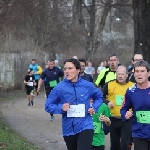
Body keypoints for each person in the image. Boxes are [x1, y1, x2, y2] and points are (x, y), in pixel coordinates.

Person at [45, 58, 103, 150]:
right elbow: (48, 106)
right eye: (65, 69)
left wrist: (94, 107)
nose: (67, 71)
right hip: (68, 130)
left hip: (86, 125)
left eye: (70, 68)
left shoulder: (87, 85)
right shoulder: (60, 87)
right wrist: (61, 108)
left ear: (78, 70)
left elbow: (99, 97)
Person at [103, 66, 134, 150]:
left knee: (125, 144)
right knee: (114, 145)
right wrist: (107, 102)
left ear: (127, 75)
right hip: (113, 119)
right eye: (118, 74)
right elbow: (100, 97)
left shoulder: (132, 86)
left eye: (122, 74)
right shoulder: (109, 84)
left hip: (127, 120)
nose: (120, 76)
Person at [121, 60, 150, 150]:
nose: (139, 74)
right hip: (139, 133)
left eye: (142, 71)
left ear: (148, 73)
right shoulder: (130, 91)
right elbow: (123, 109)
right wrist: (125, 115)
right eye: (136, 71)